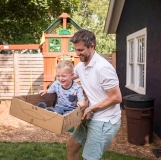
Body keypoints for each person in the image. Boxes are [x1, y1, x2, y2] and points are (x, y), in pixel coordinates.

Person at [66, 29, 122, 160]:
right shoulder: (81, 66)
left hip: (105, 120)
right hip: (91, 116)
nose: (77, 53)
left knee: (89, 158)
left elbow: (116, 97)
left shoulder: (103, 68)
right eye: (75, 49)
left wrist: (90, 108)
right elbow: (68, 78)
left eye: (80, 50)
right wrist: (51, 88)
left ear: (92, 46)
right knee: (71, 146)